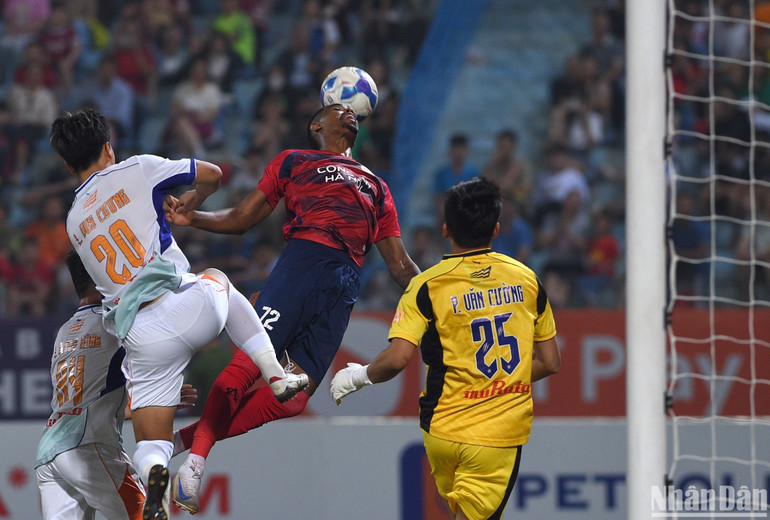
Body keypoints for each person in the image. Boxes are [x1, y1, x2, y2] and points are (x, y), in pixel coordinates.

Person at [50, 108, 307, 520]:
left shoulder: (74, 221)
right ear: (107, 146)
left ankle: (156, 478)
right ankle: (275, 374)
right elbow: (213, 173)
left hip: (142, 337)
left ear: (66, 163)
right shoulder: (138, 168)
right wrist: (194, 202)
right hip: (188, 305)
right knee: (219, 277)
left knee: (152, 443)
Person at [164, 103, 420, 513]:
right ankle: (194, 466)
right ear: (316, 125)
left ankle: (180, 442)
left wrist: (439, 294)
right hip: (301, 266)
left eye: (353, 111)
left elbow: (400, 266)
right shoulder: (295, 161)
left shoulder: (377, 185)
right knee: (243, 372)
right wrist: (193, 219)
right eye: (339, 110)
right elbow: (243, 217)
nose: (350, 114)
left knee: (294, 399)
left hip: (343, 287)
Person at [330, 177, 561, 520]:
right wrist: (498, 384)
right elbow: (550, 362)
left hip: (440, 432)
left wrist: (357, 377)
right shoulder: (527, 279)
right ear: (496, 229)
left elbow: (397, 359)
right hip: (494, 437)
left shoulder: (426, 286)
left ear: (445, 229)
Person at [35, 251, 191, 519]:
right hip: (89, 447)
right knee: (147, 514)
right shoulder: (114, 322)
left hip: (50, 452)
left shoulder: (64, 331)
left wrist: (157, 397)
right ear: (99, 278)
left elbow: (94, 397)